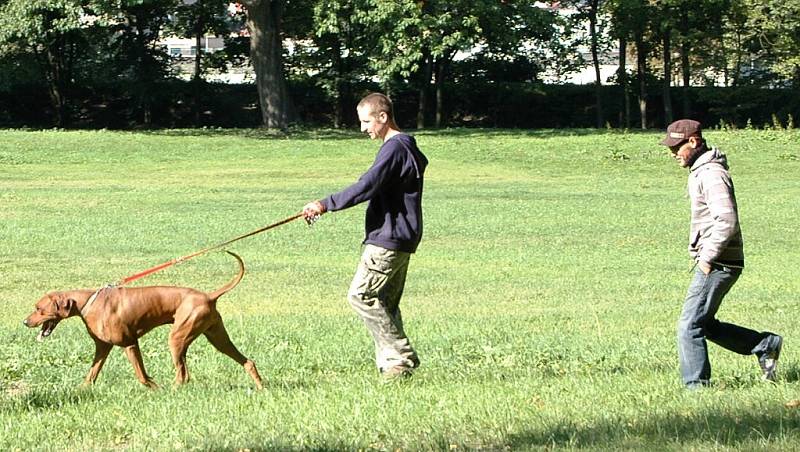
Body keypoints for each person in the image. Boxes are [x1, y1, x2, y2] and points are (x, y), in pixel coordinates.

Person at [302, 93, 428, 379]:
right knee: (384, 303)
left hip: (388, 238)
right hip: (403, 237)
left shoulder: (395, 148)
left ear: (383, 117)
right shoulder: (405, 147)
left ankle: (400, 357)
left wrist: (324, 204)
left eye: (366, 121)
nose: (363, 129)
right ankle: (394, 368)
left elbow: (367, 185)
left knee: (361, 296)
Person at [661, 119, 783, 389]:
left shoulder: (711, 174)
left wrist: (706, 258)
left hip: (718, 262)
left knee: (689, 326)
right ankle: (765, 345)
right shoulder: (701, 171)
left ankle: (697, 390)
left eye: (676, 147)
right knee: (704, 324)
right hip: (720, 260)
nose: (672, 153)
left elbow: (726, 220)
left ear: (693, 141)